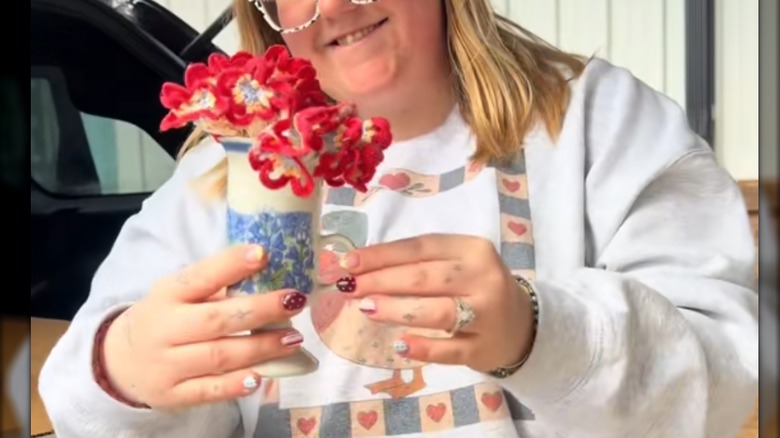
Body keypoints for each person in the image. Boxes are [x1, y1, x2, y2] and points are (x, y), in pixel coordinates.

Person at [38, 0, 760, 437]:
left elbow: (724, 382)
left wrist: (539, 331)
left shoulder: (599, 122)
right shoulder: (223, 171)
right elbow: (82, 392)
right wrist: (126, 370)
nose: (339, 6)